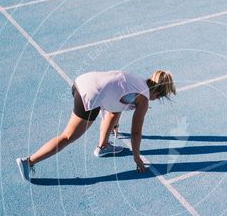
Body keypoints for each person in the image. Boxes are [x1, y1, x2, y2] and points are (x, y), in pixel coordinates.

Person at [16, 69, 176, 181]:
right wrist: (137, 157)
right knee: (67, 136)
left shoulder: (138, 82)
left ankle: (103, 146)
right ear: (157, 93)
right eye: (160, 97)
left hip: (82, 81)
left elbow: (116, 105)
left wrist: (115, 125)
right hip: (89, 95)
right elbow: (136, 132)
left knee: (113, 112)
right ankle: (28, 161)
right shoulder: (144, 98)